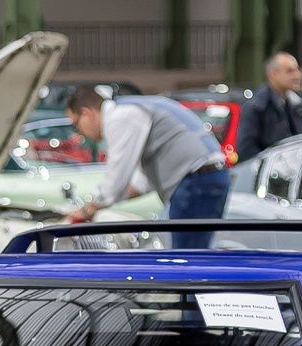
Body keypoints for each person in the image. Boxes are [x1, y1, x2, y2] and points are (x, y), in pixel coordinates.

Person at [66, 85, 228, 243]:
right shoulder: (132, 108)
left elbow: (117, 176)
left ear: (87, 113)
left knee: (187, 259)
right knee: (194, 252)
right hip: (208, 177)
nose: (79, 132)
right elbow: (141, 181)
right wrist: (106, 200)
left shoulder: (121, 116)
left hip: (196, 182)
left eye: (76, 124)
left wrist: (89, 208)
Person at [234, 52, 302, 160]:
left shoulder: (297, 105)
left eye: (297, 70)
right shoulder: (256, 107)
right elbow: (246, 150)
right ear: (273, 74)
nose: (297, 75)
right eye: (290, 71)